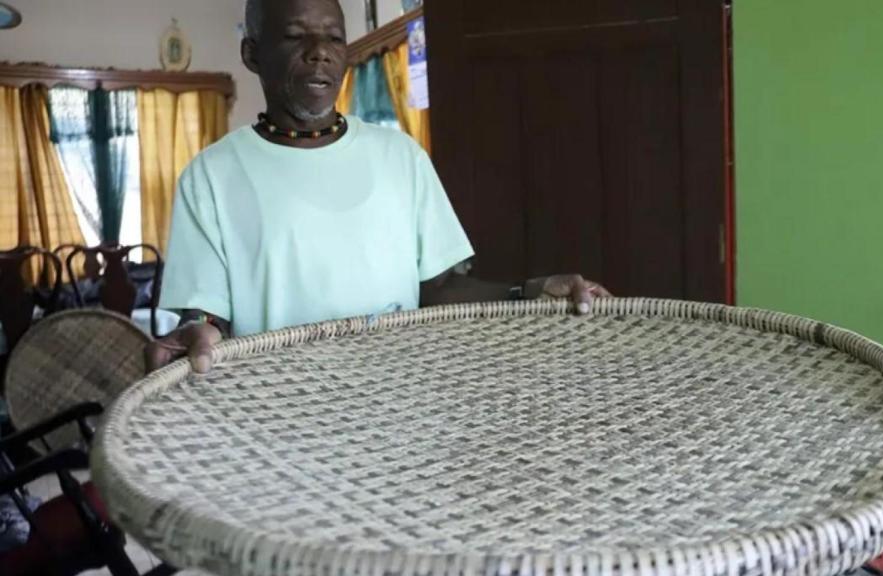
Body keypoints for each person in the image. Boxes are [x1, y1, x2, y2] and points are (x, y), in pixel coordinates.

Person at [145, 0, 609, 374]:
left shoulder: (400, 157)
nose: (319, 51)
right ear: (252, 53)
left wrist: (528, 291)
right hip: (280, 422)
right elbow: (207, 318)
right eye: (294, 36)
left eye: (333, 37)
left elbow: (438, 289)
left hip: (403, 409)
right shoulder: (211, 177)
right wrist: (197, 332)